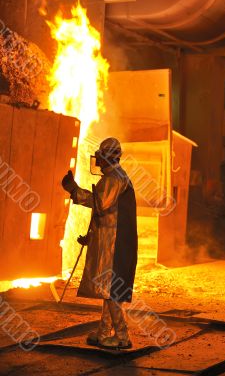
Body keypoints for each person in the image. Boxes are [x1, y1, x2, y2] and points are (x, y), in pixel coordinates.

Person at [62, 137, 138, 349]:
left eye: (101, 158)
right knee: (109, 290)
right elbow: (107, 214)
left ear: (106, 157)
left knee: (112, 291)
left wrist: (73, 190)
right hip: (113, 242)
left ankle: (122, 336)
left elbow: (99, 203)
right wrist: (92, 238)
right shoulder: (116, 177)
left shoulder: (114, 178)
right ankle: (104, 331)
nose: (99, 162)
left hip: (117, 244)